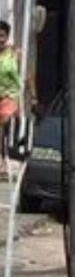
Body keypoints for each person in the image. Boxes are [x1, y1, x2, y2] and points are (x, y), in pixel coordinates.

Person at [0, 20, 21, 181]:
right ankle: (2, 161)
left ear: (7, 37)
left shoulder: (14, 53)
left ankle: (7, 161)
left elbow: (24, 75)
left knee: (5, 122)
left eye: (2, 36)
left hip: (9, 96)